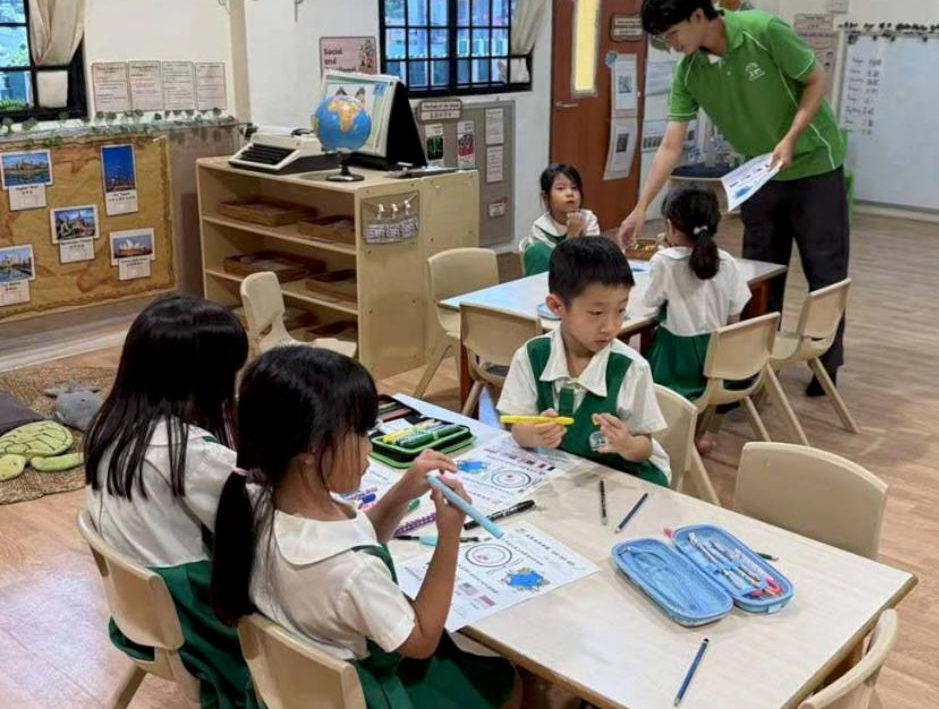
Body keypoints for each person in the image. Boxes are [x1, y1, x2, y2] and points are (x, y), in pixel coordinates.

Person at [210, 346, 519, 709]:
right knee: (506, 680)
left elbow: (356, 536)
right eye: (360, 433)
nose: (368, 447)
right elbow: (422, 640)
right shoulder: (352, 571)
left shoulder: (254, 504)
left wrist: (401, 492)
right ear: (311, 449)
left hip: (305, 683)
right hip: (372, 691)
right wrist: (449, 536)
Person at [617, 0, 849, 397]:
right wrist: (640, 208)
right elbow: (671, 145)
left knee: (825, 269)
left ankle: (826, 363)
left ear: (697, 15)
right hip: (760, 175)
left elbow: (816, 79)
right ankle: (749, 368)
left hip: (815, 164)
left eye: (672, 33)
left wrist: (790, 138)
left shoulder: (763, 31)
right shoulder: (690, 72)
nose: (671, 44)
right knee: (760, 275)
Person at [84, 294, 252, 708]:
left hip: (140, 614)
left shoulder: (109, 425)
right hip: (196, 622)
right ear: (206, 380)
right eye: (230, 372)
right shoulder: (189, 453)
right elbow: (263, 520)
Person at [498, 236, 671, 486]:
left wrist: (627, 444)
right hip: (564, 478)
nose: (610, 326)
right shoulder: (531, 356)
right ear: (556, 306)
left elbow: (644, 447)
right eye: (596, 313)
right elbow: (516, 428)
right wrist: (534, 434)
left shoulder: (631, 368)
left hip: (620, 480)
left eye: (621, 310)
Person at [643, 186, 752, 406]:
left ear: (670, 227)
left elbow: (650, 301)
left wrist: (664, 251)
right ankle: (706, 424)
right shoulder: (727, 261)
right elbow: (735, 315)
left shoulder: (664, 261)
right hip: (720, 364)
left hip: (676, 364)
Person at [520, 163, 600, 276]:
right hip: (551, 279)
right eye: (561, 188)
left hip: (584, 277)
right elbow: (556, 265)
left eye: (574, 188)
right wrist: (572, 234)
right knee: (536, 251)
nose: (570, 193)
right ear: (546, 197)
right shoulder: (541, 228)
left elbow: (594, 259)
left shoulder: (588, 218)